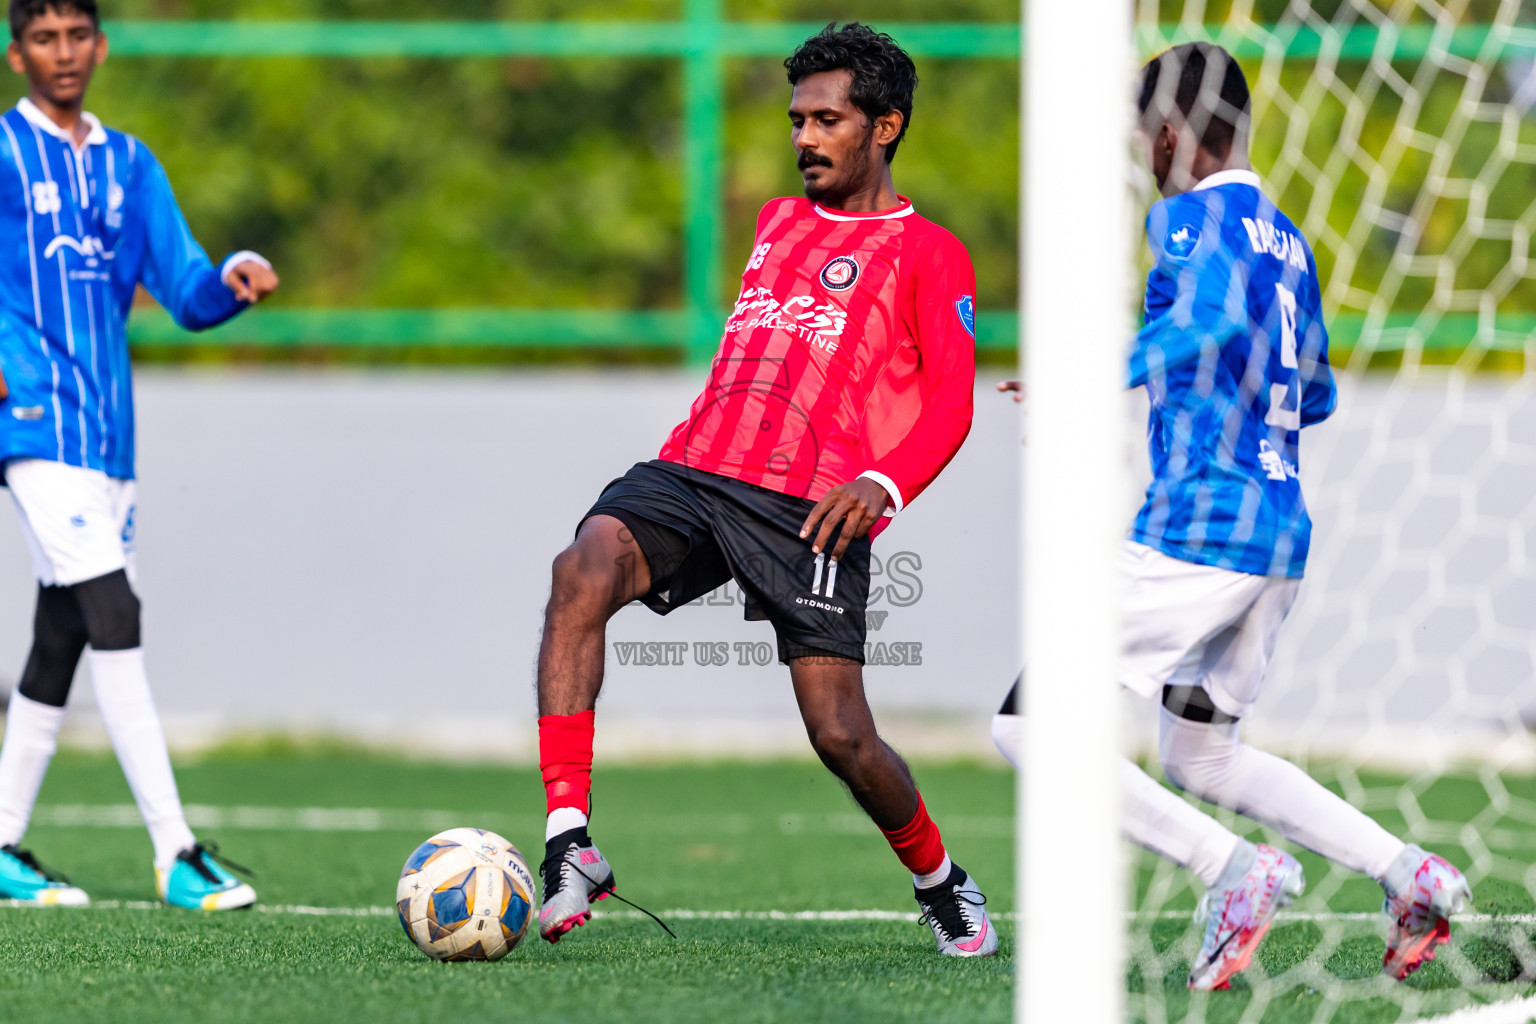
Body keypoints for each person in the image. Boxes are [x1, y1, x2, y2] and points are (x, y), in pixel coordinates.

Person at [993, 42, 1470, 989]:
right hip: (1280, 533)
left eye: (1143, 137)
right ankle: (1413, 877)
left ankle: (1234, 871)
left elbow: (1202, 323)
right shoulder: (1285, 238)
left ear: (1168, 133)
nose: (1142, 154)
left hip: (1199, 531)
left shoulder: (1189, 217)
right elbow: (1319, 389)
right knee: (1203, 755)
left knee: (1028, 727)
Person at [533, 22, 994, 957]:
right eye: (797, 120)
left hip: (814, 508)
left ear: (886, 126)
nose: (805, 138)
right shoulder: (775, 222)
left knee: (841, 737)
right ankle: (570, 842)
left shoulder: (930, 252)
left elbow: (953, 405)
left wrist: (882, 484)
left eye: (828, 120)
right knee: (580, 569)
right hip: (697, 469)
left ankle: (943, 883)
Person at [0, 0, 278, 909]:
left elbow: (187, 288)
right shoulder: (4, 152)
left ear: (101, 46)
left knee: (64, 629)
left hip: (109, 437)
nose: (64, 53)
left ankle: (1, 845)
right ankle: (176, 851)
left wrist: (231, 280)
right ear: (16, 55)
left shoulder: (130, 165)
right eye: (44, 38)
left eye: (77, 35)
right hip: (35, 429)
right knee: (115, 608)